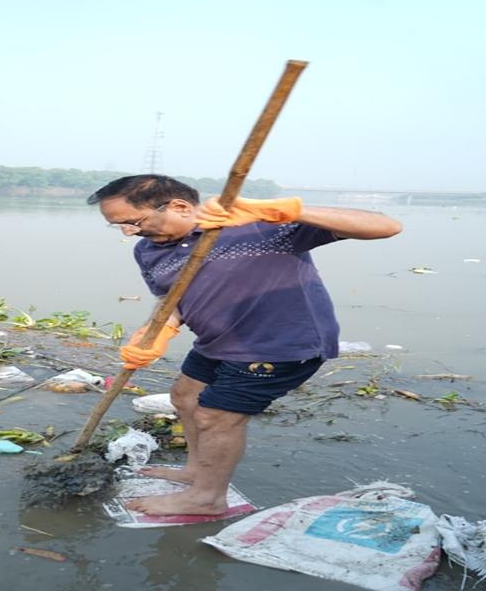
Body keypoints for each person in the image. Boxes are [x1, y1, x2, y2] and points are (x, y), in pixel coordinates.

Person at [88, 174, 402, 516]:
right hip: (218, 341)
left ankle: (207, 498)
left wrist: (286, 210)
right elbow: (174, 298)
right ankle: (196, 472)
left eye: (133, 222)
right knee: (185, 396)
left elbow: (385, 226)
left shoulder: (260, 228)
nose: (129, 232)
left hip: (278, 345)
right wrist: (158, 330)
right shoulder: (147, 250)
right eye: (119, 226)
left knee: (216, 416)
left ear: (178, 206)